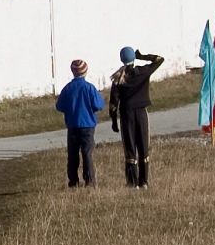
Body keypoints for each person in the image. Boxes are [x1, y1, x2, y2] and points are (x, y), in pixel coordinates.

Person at [109, 46, 165, 188]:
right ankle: (144, 181)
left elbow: (113, 103)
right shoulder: (142, 72)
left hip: (126, 114)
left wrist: (114, 120)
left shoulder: (118, 78)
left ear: (121, 59)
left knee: (130, 148)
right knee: (143, 146)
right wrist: (142, 56)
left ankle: (132, 182)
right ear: (133, 58)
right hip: (141, 112)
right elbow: (159, 59)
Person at [55, 59, 105, 187]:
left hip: (72, 125)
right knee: (87, 153)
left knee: (72, 154)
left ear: (73, 72)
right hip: (87, 125)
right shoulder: (89, 88)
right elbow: (99, 105)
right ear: (85, 72)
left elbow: (59, 106)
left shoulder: (67, 88)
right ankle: (90, 180)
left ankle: (73, 181)